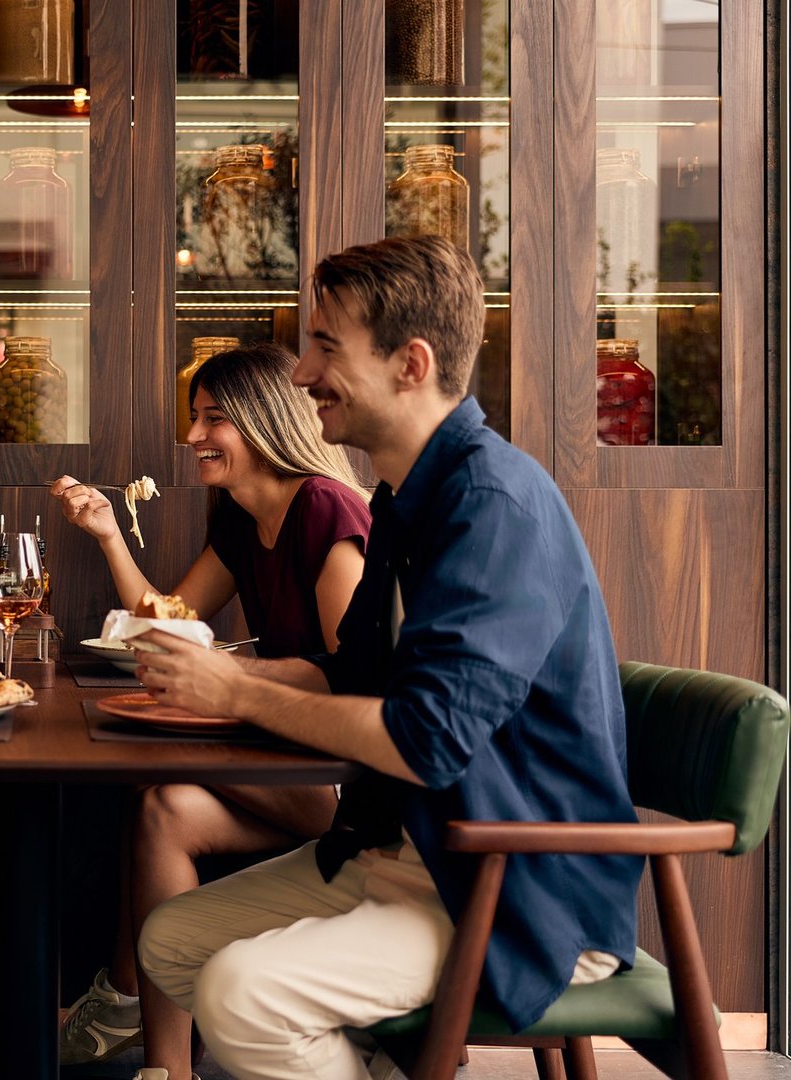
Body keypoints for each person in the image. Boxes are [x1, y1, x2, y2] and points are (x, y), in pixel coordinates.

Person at [134, 236, 642, 1080]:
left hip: (510, 883)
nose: (301, 375)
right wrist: (224, 682)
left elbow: (427, 739)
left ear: (411, 363)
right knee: (170, 940)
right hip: (414, 847)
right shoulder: (406, 499)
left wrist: (239, 693)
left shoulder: (493, 505)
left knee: (243, 992)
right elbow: (350, 674)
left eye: (326, 347)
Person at [48, 344, 370, 1079]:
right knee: (165, 805)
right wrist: (107, 532)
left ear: (265, 423)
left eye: (214, 419)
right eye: (196, 418)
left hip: (348, 780)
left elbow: (357, 679)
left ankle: (122, 993)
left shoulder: (325, 508)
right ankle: (168, 1069)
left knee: (153, 770)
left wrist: (235, 682)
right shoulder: (240, 519)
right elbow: (171, 620)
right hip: (284, 766)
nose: (193, 438)